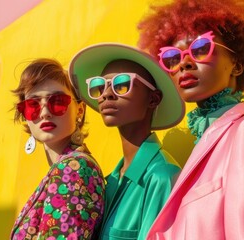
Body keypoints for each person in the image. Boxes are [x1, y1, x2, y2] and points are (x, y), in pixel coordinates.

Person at [137, 0, 244, 239]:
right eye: (172, 57)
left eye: (201, 48)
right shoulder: (201, 144)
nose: (184, 63)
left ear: (237, 64)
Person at [69, 43, 185, 240]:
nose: (106, 94)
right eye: (99, 86)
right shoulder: (110, 180)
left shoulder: (162, 176)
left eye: (121, 84)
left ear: (153, 99)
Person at [10, 58, 105, 240]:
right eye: (33, 106)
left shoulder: (74, 168)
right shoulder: (64, 168)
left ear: (80, 110)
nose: (45, 112)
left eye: (57, 101)